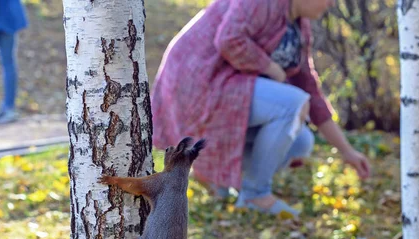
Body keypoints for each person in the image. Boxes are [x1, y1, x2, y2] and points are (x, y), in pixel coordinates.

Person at [151, 0, 371, 218]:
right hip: (198, 83)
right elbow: (229, 39)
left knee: (302, 142)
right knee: (292, 104)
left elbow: (309, 89)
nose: (331, 3)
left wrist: (347, 151)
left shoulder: (299, 26)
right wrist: (270, 67)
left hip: (230, 89)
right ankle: (255, 195)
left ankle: (221, 177)